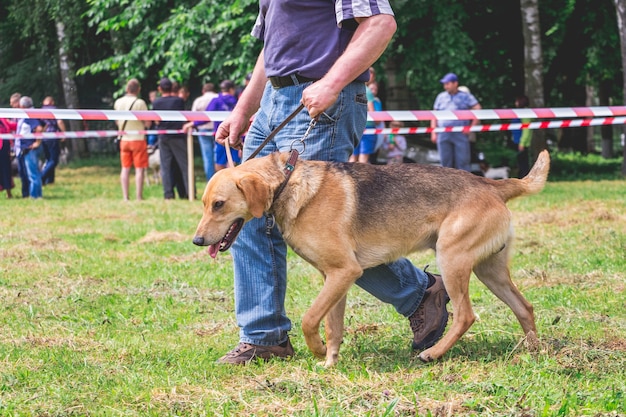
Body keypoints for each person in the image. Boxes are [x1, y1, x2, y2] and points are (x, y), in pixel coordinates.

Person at [213, 0, 449, 364]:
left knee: (324, 235)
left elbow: (381, 23)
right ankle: (264, 336)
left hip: (320, 101)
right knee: (244, 213)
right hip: (274, 102)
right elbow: (272, 49)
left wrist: (331, 83)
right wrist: (245, 107)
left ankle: (419, 293)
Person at [431, 73, 481, 171]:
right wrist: (433, 132)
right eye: (444, 84)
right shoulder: (441, 97)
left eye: (447, 83)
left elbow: (478, 109)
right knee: (444, 164)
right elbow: (434, 115)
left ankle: (466, 186)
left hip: (460, 133)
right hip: (443, 133)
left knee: (463, 162)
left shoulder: (465, 96)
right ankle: (446, 185)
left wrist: (471, 127)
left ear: (455, 83)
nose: (445, 86)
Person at [152, 77, 191, 199]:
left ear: (159, 89)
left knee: (166, 166)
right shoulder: (178, 101)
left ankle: (168, 194)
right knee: (185, 165)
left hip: (163, 136)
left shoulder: (156, 102)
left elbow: (156, 121)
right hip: (178, 136)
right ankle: (190, 192)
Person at [114, 79, 150, 200]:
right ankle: (139, 196)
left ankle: (125, 197)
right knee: (139, 169)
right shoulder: (140, 103)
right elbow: (147, 122)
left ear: (126, 89)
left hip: (124, 139)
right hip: (138, 138)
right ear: (138, 90)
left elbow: (116, 120)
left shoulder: (118, 102)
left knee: (125, 169)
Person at [183, 83, 218, 181]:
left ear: (203, 91)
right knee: (219, 157)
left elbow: (193, 117)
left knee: (207, 157)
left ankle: (210, 181)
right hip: (218, 129)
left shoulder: (198, 100)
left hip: (202, 129)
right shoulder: (217, 98)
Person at [16, 96, 44, 199]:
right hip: (28, 148)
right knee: (34, 173)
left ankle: (34, 196)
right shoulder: (32, 113)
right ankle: (37, 195)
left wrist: (37, 142)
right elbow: (43, 125)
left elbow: (39, 128)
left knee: (33, 174)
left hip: (30, 148)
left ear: (22, 106)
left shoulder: (29, 115)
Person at [209, 80, 240, 171]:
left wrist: (193, 123)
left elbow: (206, 115)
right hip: (235, 134)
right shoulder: (236, 101)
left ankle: (221, 181)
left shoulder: (216, 101)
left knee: (219, 161)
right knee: (233, 161)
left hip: (220, 135)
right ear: (231, 89)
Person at [350, 67, 377, 163]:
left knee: (352, 159)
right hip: (368, 127)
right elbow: (372, 111)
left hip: (354, 126)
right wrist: (378, 122)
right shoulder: (367, 91)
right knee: (363, 159)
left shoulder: (352, 89)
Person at [40, 96, 67, 185]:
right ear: (52, 102)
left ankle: (50, 180)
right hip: (53, 136)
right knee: (54, 160)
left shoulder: (41, 110)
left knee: (48, 159)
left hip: (44, 137)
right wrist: (63, 132)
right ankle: (42, 177)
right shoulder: (54, 109)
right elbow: (59, 122)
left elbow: (41, 125)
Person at [512, 95, 532, 178]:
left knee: (523, 164)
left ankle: (524, 179)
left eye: (517, 101)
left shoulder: (525, 113)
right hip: (518, 140)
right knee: (521, 162)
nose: (515, 103)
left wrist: (522, 143)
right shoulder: (520, 112)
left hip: (521, 142)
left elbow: (526, 129)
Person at [0, 118, 17, 198]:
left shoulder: (3, 118)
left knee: (6, 170)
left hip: (4, 147)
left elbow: (12, 126)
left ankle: (8, 193)